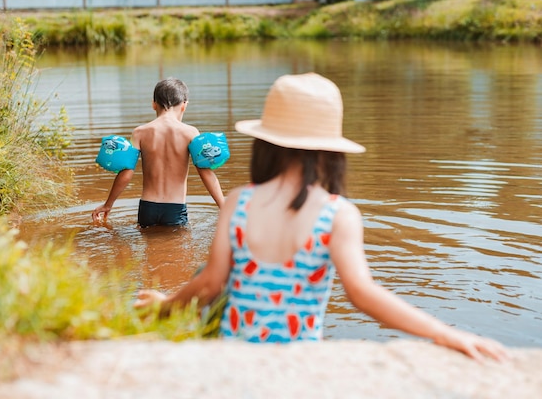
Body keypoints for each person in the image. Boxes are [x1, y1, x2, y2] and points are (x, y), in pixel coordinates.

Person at [134, 72, 509, 361]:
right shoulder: (338, 215)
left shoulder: (239, 202)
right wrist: (447, 334)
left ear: (265, 143)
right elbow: (363, 294)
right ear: (332, 151)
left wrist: (166, 305)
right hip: (300, 363)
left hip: (237, 360)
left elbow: (211, 283)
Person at [92, 77, 225, 227]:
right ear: (184, 105)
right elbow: (204, 172)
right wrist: (223, 206)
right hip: (175, 207)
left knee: (149, 247)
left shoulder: (140, 132)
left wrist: (108, 204)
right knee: (175, 249)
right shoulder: (190, 133)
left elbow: (126, 173)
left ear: (153, 104)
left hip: (147, 207)